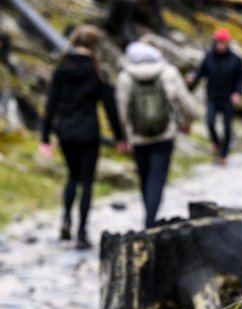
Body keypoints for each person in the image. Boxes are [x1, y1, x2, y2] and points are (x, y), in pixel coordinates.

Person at [40, 25, 128, 249]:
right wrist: (120, 136)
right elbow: (110, 108)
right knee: (86, 181)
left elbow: (51, 105)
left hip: (66, 131)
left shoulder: (62, 68)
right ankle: (81, 232)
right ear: (94, 46)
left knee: (71, 176)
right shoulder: (98, 72)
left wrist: (45, 137)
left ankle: (66, 220)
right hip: (89, 132)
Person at [116, 37, 196, 228]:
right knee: (157, 179)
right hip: (164, 135)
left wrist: (126, 136)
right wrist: (186, 123)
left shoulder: (125, 76)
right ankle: (150, 220)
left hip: (138, 136)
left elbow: (122, 110)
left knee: (144, 178)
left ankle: (148, 215)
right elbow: (187, 105)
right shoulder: (169, 72)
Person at [186, 28, 242, 166]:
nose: (220, 45)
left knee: (226, 126)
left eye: (223, 43)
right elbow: (201, 71)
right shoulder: (209, 56)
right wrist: (193, 75)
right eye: (218, 42)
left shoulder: (236, 60)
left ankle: (223, 155)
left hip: (228, 98)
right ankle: (216, 143)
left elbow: (241, 78)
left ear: (227, 43)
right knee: (210, 122)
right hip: (212, 96)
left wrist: (238, 92)